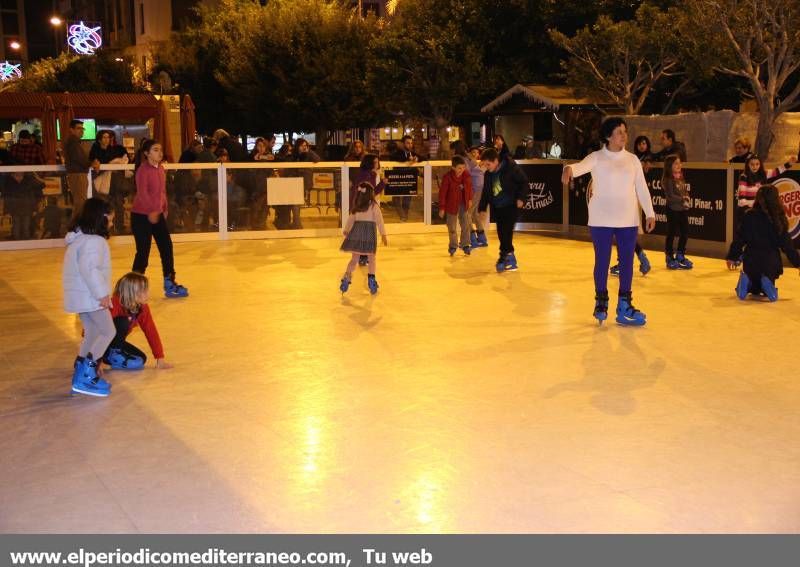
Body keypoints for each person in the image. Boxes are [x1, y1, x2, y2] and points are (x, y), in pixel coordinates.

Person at [561, 116, 656, 326]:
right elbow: (578, 167)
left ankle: (624, 306)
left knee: (627, 263)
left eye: (625, 131)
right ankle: (601, 302)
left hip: (628, 220)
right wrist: (569, 169)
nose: (624, 135)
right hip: (601, 218)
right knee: (602, 261)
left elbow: (642, 187)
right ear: (608, 136)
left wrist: (649, 213)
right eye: (619, 132)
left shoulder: (632, 160)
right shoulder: (597, 157)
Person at [63, 198, 115, 397]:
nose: (111, 224)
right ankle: (86, 374)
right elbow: (89, 269)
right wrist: (102, 294)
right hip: (91, 296)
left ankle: (80, 367)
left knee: (92, 331)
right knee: (108, 331)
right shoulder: (94, 242)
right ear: (101, 219)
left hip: (81, 296)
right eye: (110, 220)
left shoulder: (79, 239)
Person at [132, 139, 189, 298]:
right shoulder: (143, 170)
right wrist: (151, 210)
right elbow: (142, 193)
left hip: (157, 214)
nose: (160, 152)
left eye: (160, 149)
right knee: (143, 252)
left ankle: (169, 282)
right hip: (141, 216)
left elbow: (162, 192)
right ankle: (133, 286)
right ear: (146, 153)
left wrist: (164, 208)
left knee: (166, 247)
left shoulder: (161, 169)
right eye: (155, 150)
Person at [726, 184, 800, 302]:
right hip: (770, 262)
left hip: (750, 261)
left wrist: (732, 257)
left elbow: (739, 239)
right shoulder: (778, 219)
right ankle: (767, 283)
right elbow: (787, 246)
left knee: (754, 285)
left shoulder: (749, 215)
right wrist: (798, 263)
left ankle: (748, 282)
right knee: (766, 283)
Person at [103, 272, 173, 370]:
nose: (148, 294)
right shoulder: (114, 303)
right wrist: (95, 360)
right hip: (101, 344)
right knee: (123, 322)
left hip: (115, 345)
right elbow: (95, 330)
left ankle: (110, 358)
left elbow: (151, 331)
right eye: (144, 291)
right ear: (132, 293)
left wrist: (160, 358)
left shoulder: (142, 308)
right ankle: (103, 357)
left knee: (140, 359)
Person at [477, 147, 528, 272]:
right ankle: (508, 256)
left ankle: (504, 257)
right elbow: (486, 191)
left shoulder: (510, 168)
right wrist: (482, 207)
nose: (487, 167)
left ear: (496, 161)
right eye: (485, 165)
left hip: (511, 206)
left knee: (506, 232)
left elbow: (524, 182)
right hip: (498, 207)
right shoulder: (489, 174)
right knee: (501, 233)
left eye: (488, 164)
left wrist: (521, 198)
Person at [608, 135, 652, 276]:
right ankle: (640, 257)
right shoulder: (631, 159)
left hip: (622, 204)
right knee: (625, 236)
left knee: (621, 236)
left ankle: (625, 263)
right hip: (627, 203)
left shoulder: (629, 160)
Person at [339, 182, 388, 295]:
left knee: (354, 259)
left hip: (356, 234)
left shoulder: (357, 207)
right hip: (369, 235)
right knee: (371, 258)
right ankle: (371, 279)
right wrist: (383, 235)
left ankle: (347, 277)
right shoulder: (374, 206)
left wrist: (346, 230)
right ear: (371, 194)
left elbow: (351, 219)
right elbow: (380, 221)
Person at [89, 130, 129, 232]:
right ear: (99, 139)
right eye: (104, 137)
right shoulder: (95, 150)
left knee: (117, 203)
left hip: (112, 182)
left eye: (108, 137)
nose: (107, 140)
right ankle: (100, 225)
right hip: (99, 181)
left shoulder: (112, 150)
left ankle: (118, 226)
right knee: (101, 204)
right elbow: (93, 163)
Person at [662, 155, 694, 270]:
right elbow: (670, 197)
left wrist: (687, 197)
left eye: (680, 163)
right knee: (671, 233)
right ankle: (669, 256)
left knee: (685, 232)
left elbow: (684, 191)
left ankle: (680, 254)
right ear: (669, 166)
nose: (679, 165)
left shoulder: (680, 178)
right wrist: (682, 199)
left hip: (682, 210)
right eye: (676, 163)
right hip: (672, 210)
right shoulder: (668, 180)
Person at [438, 155, 473, 256]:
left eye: (463, 167)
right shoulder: (447, 177)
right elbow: (442, 194)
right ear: (453, 168)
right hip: (451, 206)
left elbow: (470, 188)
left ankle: (465, 244)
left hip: (463, 204)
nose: (462, 170)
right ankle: (453, 245)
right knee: (452, 227)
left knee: (466, 224)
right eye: (459, 168)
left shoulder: (466, 175)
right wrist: (442, 208)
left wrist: (470, 199)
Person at [63, 120, 99, 214]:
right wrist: (92, 163)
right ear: (71, 130)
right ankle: (77, 226)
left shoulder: (74, 142)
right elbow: (79, 158)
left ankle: (76, 226)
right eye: (78, 128)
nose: (81, 130)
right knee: (80, 203)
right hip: (78, 174)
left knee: (80, 202)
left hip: (77, 174)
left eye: (82, 128)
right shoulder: (73, 142)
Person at [4, 172, 44, 240]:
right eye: (17, 175)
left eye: (21, 175)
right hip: (17, 210)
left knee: (25, 227)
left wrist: (34, 209)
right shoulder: (10, 185)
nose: (19, 177)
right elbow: (8, 199)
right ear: (13, 176)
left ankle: (25, 241)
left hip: (26, 210)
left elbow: (41, 186)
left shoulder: (27, 184)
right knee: (17, 226)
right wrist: (7, 211)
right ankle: (19, 242)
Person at [390, 135, 422, 221]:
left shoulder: (412, 153)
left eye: (411, 143)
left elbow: (423, 158)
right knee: (396, 198)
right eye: (408, 143)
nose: (410, 145)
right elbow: (394, 158)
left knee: (407, 199)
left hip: (409, 179)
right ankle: (402, 215)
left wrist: (416, 159)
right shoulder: (397, 153)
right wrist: (409, 160)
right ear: (402, 144)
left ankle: (404, 218)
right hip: (398, 178)